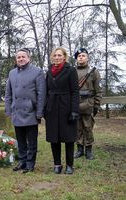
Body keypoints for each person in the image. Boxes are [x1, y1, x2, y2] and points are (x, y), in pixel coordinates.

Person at [5, 48, 46, 173]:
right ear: (16, 59)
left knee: (31, 141)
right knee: (21, 140)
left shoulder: (37, 72)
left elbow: (41, 94)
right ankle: (22, 161)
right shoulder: (12, 73)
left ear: (29, 58)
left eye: (23, 56)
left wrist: (39, 112)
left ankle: (30, 163)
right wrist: (8, 110)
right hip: (17, 112)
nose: (21, 59)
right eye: (18, 57)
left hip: (31, 112)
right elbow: (8, 94)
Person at [45, 47, 79, 175]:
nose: (57, 57)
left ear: (64, 57)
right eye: (55, 55)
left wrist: (74, 110)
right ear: (52, 57)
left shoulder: (70, 70)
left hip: (67, 107)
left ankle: (69, 165)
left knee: (68, 137)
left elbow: (75, 91)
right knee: (54, 138)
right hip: (52, 108)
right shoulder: (48, 71)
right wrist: (45, 109)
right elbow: (46, 91)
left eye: (59, 55)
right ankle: (57, 164)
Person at [74, 48, 102, 160]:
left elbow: (98, 91)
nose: (81, 57)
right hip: (76, 102)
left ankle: (89, 150)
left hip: (88, 103)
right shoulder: (73, 71)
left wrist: (96, 105)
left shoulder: (94, 72)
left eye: (83, 55)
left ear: (87, 57)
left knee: (88, 127)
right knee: (77, 127)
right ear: (76, 58)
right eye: (79, 56)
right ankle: (79, 149)